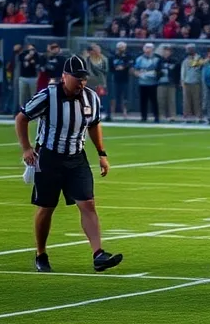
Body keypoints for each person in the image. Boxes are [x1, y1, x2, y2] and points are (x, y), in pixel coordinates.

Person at [16, 55, 122, 273]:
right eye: (77, 78)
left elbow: (94, 125)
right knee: (46, 208)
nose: (81, 83)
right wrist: (27, 148)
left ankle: (98, 254)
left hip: (76, 157)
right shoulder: (48, 96)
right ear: (64, 76)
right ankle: (41, 253)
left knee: (88, 204)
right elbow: (22, 118)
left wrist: (102, 153)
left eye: (84, 79)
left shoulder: (91, 98)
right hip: (49, 157)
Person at [133, 42, 160, 123]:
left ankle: (156, 117)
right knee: (143, 101)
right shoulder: (139, 59)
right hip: (142, 83)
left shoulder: (157, 59)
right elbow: (135, 70)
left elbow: (158, 70)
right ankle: (143, 117)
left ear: (152, 49)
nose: (148, 50)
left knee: (154, 101)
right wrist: (139, 74)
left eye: (149, 48)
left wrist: (153, 73)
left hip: (153, 83)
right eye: (146, 48)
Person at [181, 44, 205, 122]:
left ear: (192, 49)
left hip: (196, 82)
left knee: (197, 100)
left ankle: (199, 117)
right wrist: (182, 80)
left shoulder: (199, 58)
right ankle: (187, 117)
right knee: (186, 101)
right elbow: (183, 71)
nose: (187, 51)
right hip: (186, 82)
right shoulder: (185, 60)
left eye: (188, 49)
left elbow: (194, 65)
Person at [156, 44, 179, 123]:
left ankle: (172, 116)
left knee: (171, 101)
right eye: (165, 51)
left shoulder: (174, 60)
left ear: (170, 52)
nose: (166, 53)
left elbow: (176, 72)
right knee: (161, 100)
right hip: (161, 83)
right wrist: (160, 73)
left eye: (168, 51)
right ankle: (161, 115)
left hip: (171, 83)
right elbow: (156, 71)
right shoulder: (159, 61)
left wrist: (177, 82)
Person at [109, 42, 131, 120]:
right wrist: (116, 68)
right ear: (117, 47)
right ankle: (112, 112)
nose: (122, 48)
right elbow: (111, 67)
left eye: (124, 47)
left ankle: (124, 113)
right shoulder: (113, 56)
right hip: (115, 79)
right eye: (121, 47)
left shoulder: (127, 56)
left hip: (125, 79)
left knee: (124, 97)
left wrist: (123, 67)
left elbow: (129, 64)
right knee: (114, 96)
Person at [16, 43, 40, 110]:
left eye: (33, 49)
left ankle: (32, 111)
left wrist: (32, 60)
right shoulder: (23, 54)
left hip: (33, 77)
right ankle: (21, 110)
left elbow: (37, 64)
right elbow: (24, 59)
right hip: (23, 77)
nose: (31, 50)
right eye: (30, 48)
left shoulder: (36, 55)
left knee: (33, 95)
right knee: (22, 95)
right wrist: (30, 55)